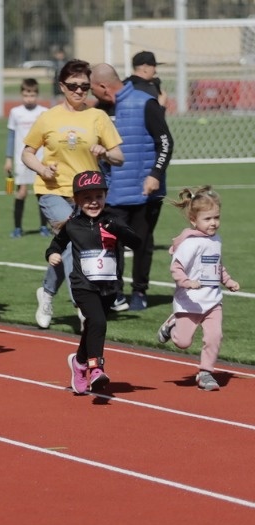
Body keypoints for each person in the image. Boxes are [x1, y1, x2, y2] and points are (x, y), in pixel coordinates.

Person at [22, 59, 124, 330]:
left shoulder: (97, 117)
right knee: (73, 241)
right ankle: (82, 306)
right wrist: (43, 169)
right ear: (62, 87)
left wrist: (105, 153)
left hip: (87, 196)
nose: (79, 91)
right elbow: (27, 153)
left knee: (68, 247)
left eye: (84, 87)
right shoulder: (48, 117)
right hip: (52, 191)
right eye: (73, 86)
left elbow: (119, 156)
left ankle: (46, 292)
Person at [46, 171, 139, 394]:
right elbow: (56, 244)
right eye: (87, 198)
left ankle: (79, 363)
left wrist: (118, 231)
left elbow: (137, 242)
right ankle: (96, 368)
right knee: (98, 322)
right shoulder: (73, 225)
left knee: (92, 327)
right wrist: (52, 255)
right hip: (82, 285)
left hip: (107, 286)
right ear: (77, 200)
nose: (93, 202)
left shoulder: (113, 221)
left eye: (98, 196)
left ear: (106, 196)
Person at [90, 63, 173, 312]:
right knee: (110, 244)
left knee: (142, 244)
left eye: (91, 87)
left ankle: (139, 291)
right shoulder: (97, 112)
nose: (88, 91)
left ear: (103, 86)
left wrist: (155, 174)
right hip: (113, 192)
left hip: (145, 192)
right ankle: (115, 293)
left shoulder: (145, 103)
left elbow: (166, 141)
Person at [157, 187, 240, 392]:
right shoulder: (190, 244)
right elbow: (176, 267)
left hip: (212, 301)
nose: (213, 223)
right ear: (194, 220)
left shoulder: (216, 240)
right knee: (182, 342)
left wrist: (228, 281)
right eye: (208, 218)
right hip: (190, 301)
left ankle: (206, 373)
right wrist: (186, 282)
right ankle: (172, 322)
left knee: (214, 336)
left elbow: (217, 266)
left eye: (216, 217)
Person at [4, 78, 49, 238]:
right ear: (21, 94)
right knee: (21, 192)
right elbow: (11, 136)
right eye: (26, 95)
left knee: (41, 193)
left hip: (40, 159)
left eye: (32, 95)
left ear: (37, 94)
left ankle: (44, 226)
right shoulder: (16, 112)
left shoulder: (43, 112)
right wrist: (8, 158)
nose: (29, 99)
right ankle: (17, 227)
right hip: (21, 159)